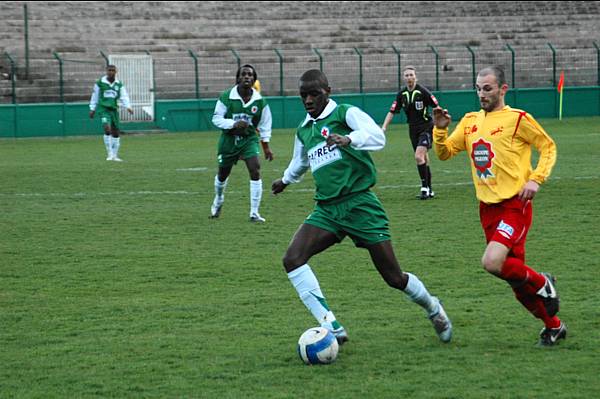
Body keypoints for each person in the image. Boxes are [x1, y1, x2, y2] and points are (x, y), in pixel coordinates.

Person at [271, 69, 453, 345]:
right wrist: (284, 180)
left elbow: (377, 137)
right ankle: (330, 325)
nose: (308, 100)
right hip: (328, 210)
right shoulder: (304, 129)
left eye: (314, 94)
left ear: (328, 91)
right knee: (292, 259)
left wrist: (349, 139)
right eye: (303, 95)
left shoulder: (345, 114)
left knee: (393, 277)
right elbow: (301, 162)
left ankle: (433, 307)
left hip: (360, 204)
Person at [432, 65, 564, 347]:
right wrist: (440, 131)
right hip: (487, 210)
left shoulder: (518, 119)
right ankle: (554, 326)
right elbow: (444, 154)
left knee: (492, 262)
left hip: (515, 204)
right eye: (478, 88)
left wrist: (536, 179)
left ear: (503, 89)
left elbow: (548, 146)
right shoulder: (469, 121)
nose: (482, 94)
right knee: (515, 281)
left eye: (488, 88)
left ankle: (544, 283)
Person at [210, 64, 273, 222]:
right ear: (238, 78)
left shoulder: (260, 102)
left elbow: (265, 126)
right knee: (223, 175)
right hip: (229, 141)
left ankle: (254, 212)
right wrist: (232, 124)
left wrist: (266, 147)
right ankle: (218, 199)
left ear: (254, 79)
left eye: (250, 75)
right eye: (243, 74)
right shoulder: (226, 97)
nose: (247, 77)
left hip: (248, 140)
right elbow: (216, 118)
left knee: (255, 169)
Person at [381, 66, 439, 199]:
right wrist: (383, 128)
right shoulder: (401, 94)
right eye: (406, 75)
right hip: (413, 130)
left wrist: (439, 124)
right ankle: (429, 189)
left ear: (415, 77)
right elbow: (392, 111)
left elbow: (437, 107)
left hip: (426, 127)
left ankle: (424, 188)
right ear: (404, 78)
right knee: (424, 158)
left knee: (419, 156)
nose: (409, 77)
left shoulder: (423, 92)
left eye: (411, 75)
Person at [89, 64, 133, 161]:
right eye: (109, 70)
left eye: (113, 70)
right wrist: (92, 108)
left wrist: (128, 107)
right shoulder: (100, 83)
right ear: (106, 71)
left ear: (116, 71)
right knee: (107, 129)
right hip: (103, 109)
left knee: (116, 133)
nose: (111, 72)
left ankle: (115, 155)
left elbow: (124, 96)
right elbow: (95, 96)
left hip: (114, 110)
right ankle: (109, 154)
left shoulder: (118, 84)